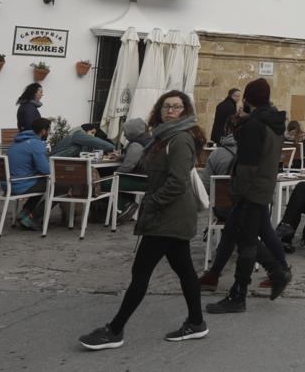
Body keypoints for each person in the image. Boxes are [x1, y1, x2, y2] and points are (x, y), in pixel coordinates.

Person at [79, 91, 209, 350]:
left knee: (141, 273)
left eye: (177, 107)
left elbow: (177, 181)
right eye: (166, 106)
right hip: (167, 214)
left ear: (185, 111)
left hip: (168, 214)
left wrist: (153, 202)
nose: (171, 110)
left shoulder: (181, 138)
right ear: (159, 111)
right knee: (184, 270)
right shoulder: (162, 138)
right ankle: (197, 323)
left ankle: (115, 330)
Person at [207, 79, 291, 314]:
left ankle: (240, 294)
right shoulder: (274, 123)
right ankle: (217, 276)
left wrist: (237, 192)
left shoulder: (254, 125)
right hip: (263, 186)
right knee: (237, 232)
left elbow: (247, 165)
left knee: (246, 241)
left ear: (247, 98)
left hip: (250, 190)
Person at [196, 116, 242, 292]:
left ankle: (213, 273)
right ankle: (274, 267)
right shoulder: (251, 151)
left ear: (226, 131)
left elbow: (206, 185)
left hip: (222, 210)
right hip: (245, 209)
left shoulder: (216, 154)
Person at [6, 118, 52, 230]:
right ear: (43, 131)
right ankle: (33, 218)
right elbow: (46, 170)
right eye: (49, 131)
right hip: (19, 185)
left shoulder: (17, 141)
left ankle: (25, 213)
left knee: (43, 182)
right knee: (56, 185)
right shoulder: (36, 144)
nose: (49, 133)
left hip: (8, 184)